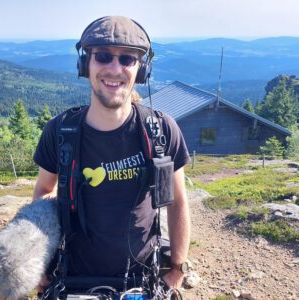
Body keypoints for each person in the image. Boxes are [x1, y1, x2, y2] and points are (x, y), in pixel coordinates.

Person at [32, 15, 191, 293]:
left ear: (141, 70)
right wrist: (40, 261)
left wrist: (177, 268)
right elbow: (45, 190)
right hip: (73, 277)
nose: (115, 69)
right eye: (103, 56)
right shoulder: (60, 132)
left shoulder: (161, 130)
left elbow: (177, 201)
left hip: (143, 280)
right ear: (85, 64)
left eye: (127, 59)